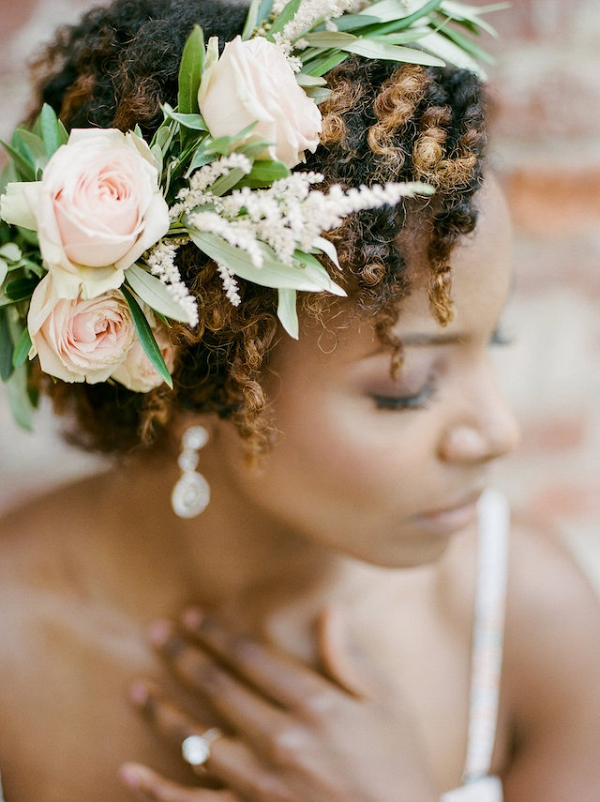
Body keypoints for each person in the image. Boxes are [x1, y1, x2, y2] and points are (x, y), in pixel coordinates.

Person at [1, 1, 600, 801]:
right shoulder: (15, 643)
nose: (498, 431)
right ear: (195, 363)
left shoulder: (529, 619)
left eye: (490, 345)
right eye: (406, 387)